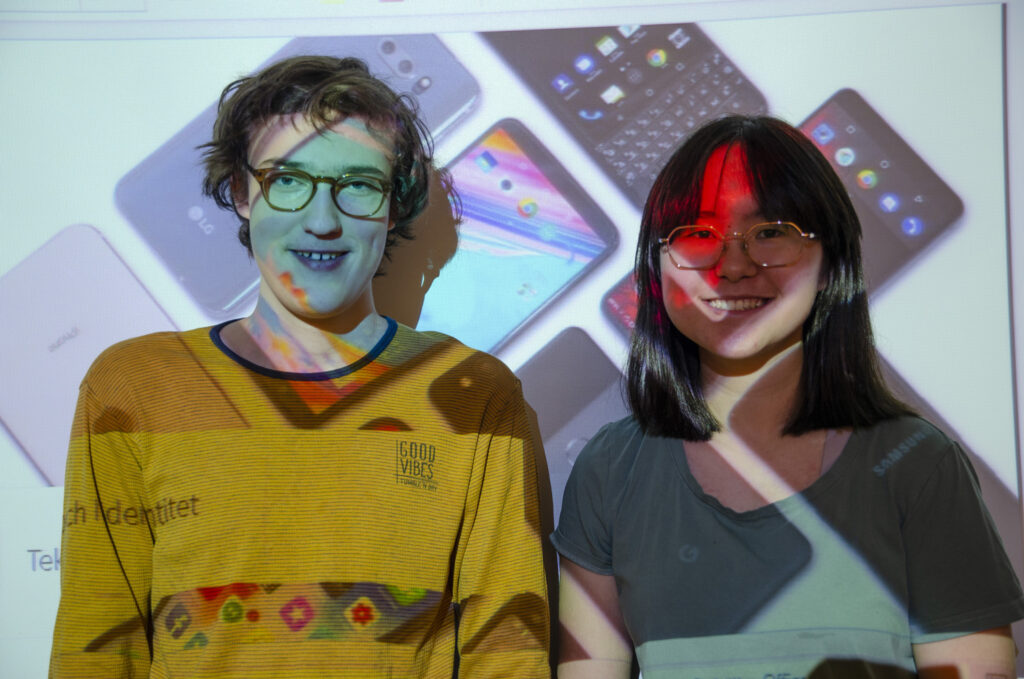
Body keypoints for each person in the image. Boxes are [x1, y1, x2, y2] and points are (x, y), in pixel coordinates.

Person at [50, 55, 550, 678]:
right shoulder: (134, 387)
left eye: (359, 185)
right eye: (288, 180)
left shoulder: (472, 396)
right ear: (241, 193)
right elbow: (97, 645)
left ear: (392, 208)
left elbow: (506, 655)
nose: (322, 220)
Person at [553, 115, 1024, 678]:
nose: (732, 266)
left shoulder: (918, 464)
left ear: (830, 262)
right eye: (698, 234)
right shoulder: (610, 471)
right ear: (656, 269)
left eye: (770, 232)